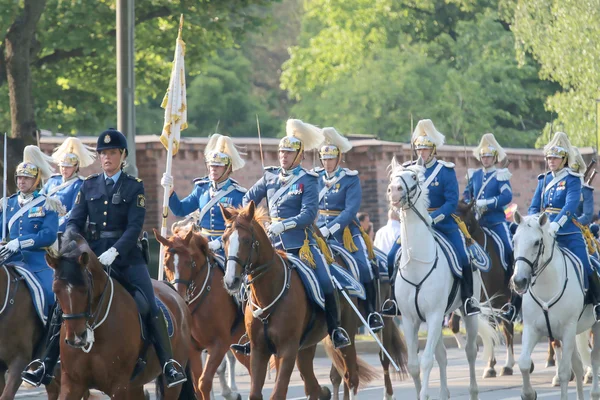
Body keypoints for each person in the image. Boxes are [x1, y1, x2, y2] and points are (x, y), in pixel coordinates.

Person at [22, 129, 187, 388]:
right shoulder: (89, 185)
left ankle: (168, 362)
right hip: (91, 257)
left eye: (111, 153)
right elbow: (75, 220)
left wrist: (116, 251)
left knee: (149, 304)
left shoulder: (135, 187)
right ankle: (45, 361)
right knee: (62, 303)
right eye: (103, 153)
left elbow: (134, 227)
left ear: (122, 155)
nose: (107, 157)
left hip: (127, 258)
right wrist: (75, 244)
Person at [240, 119, 351, 353]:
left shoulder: (308, 180)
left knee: (325, 281)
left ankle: (335, 329)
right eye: (281, 152)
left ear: (299, 156)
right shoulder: (269, 177)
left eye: (289, 152)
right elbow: (247, 198)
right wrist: (261, 220)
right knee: (245, 284)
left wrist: (285, 224)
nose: (283, 156)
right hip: (272, 246)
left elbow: (309, 213)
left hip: (301, 246)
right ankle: (249, 335)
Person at [383, 119, 480, 317]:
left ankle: (469, 299)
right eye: (419, 149)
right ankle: (393, 299)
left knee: (462, 258)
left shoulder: (445, 170)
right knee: (392, 255)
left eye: (425, 149)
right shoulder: (408, 171)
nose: (422, 153)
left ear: (433, 149)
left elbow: (452, 202)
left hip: (443, 224)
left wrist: (432, 218)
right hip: (414, 228)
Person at [522, 132, 600, 321]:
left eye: (555, 158)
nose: (551, 161)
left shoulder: (572, 179)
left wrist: (556, 225)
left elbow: (570, 205)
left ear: (564, 159)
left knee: (585, 264)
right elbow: (534, 205)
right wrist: (532, 222)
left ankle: (596, 302)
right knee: (524, 260)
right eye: (549, 157)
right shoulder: (544, 180)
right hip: (544, 229)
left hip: (567, 231)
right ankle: (516, 306)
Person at [316, 127, 383, 332]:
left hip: (345, 232)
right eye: (324, 158)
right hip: (318, 230)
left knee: (363, 265)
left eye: (331, 158)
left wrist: (331, 228)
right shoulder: (315, 177)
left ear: (339, 158)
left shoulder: (350, 178)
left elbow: (350, 209)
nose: (327, 162)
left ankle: (372, 311)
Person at [0, 146, 62, 322]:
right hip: (9, 259)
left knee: (52, 293)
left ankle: (52, 331)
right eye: (19, 177)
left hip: (37, 261)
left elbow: (48, 235)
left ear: (35, 181)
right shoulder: (7, 204)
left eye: (26, 178)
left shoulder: (47, 204)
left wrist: (20, 242)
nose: (21, 181)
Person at [161, 134, 246, 255]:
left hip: (225, 248)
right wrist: (170, 192)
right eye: (211, 165)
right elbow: (180, 210)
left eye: (218, 166)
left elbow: (239, 228)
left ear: (227, 168)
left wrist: (219, 242)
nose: (213, 169)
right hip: (201, 246)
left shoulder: (238, 194)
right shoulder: (201, 188)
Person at [463, 133, 514, 273]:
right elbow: (466, 195)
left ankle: (513, 281)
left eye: (489, 156)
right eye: (483, 156)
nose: (485, 159)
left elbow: (506, 196)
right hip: (477, 222)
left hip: (496, 222)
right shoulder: (474, 175)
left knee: (509, 248)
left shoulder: (500, 175)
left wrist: (486, 203)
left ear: (495, 158)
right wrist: (471, 205)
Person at [42, 137, 96, 233]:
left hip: (63, 229)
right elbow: (39, 200)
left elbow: (74, 211)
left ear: (76, 167)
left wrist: (56, 225)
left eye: (68, 167)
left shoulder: (79, 185)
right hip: (44, 225)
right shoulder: (52, 181)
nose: (64, 169)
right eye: (62, 166)